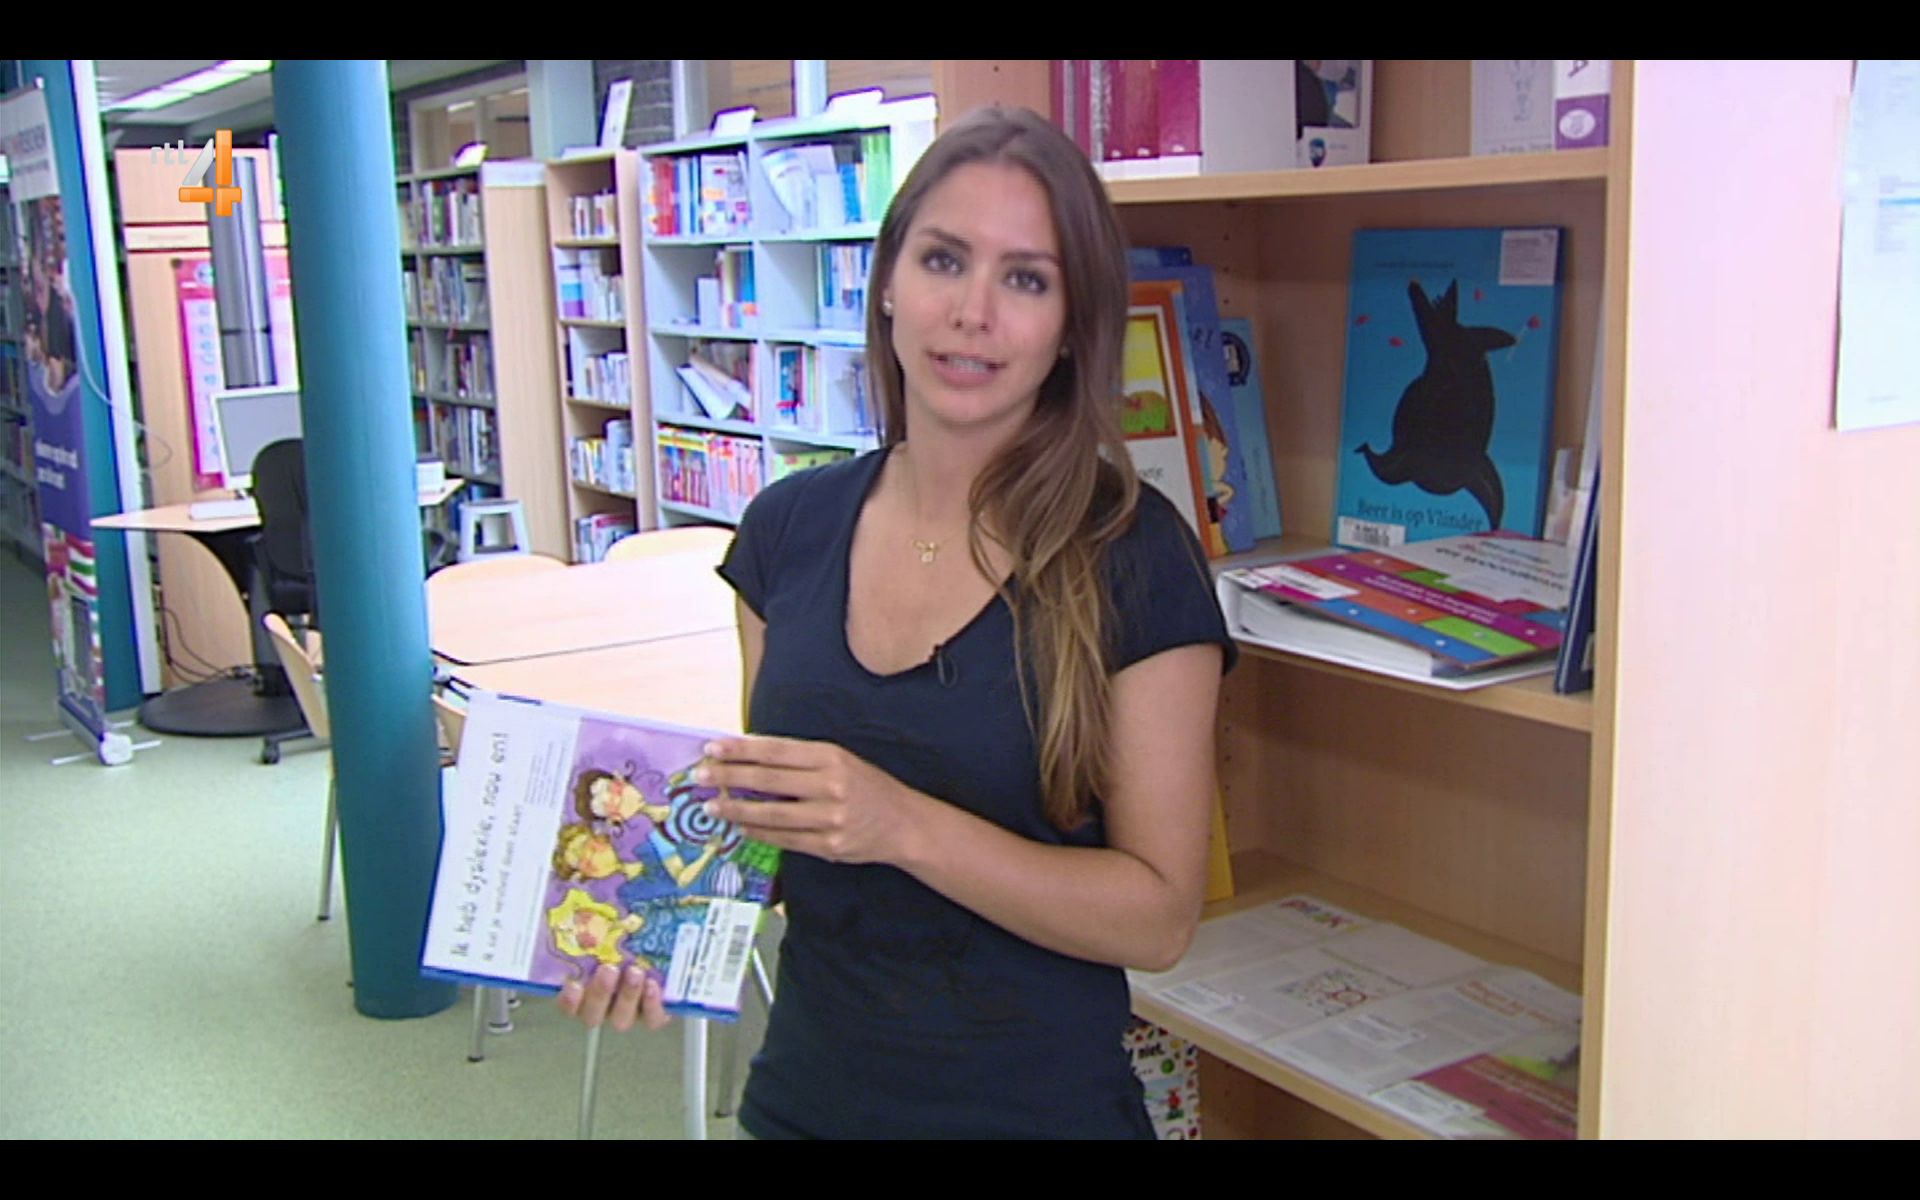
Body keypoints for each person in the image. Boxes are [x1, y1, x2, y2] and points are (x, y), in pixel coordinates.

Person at [559, 105, 1236, 1140]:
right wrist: (646, 929)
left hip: (1037, 1116)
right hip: (806, 1102)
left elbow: (1158, 917)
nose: (971, 312)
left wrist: (902, 825)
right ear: (886, 284)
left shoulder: (1134, 553)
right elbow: (779, 838)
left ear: (1070, 327)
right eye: (943, 260)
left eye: (1026, 279)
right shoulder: (786, 530)